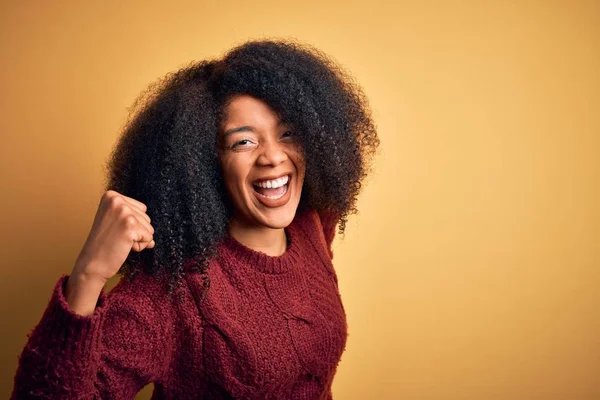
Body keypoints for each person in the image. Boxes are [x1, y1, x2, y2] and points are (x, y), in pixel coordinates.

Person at [11, 38, 379, 399]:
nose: (273, 157)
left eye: (288, 133)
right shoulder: (172, 293)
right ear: (204, 162)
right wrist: (88, 276)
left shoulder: (312, 224)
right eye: (244, 142)